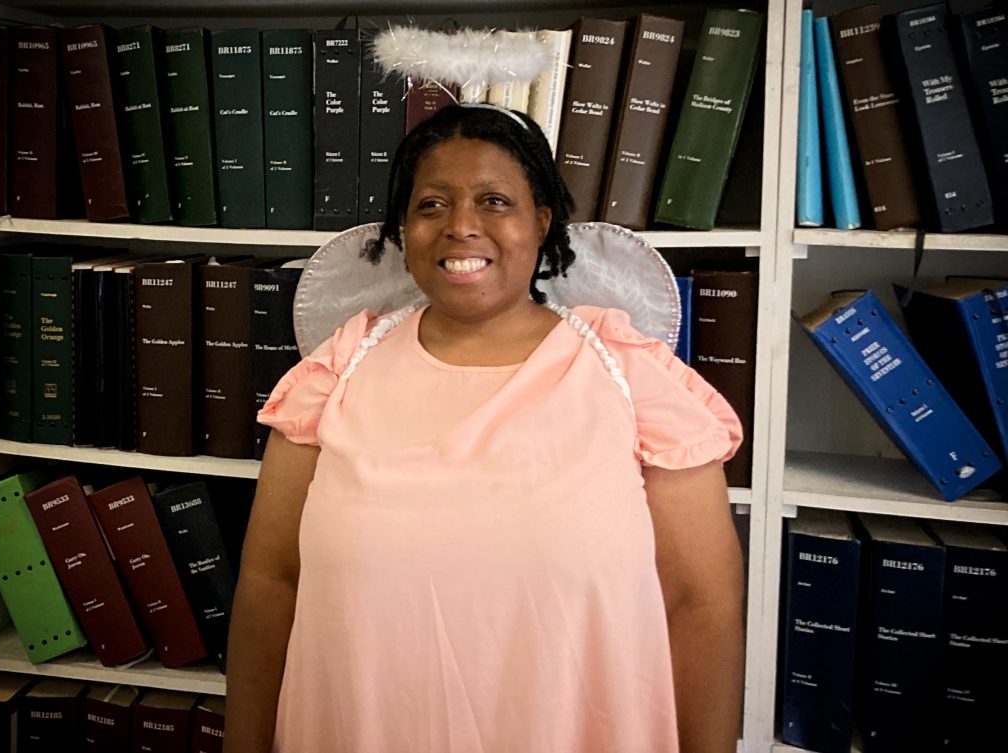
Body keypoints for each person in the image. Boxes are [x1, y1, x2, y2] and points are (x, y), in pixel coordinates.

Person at [224, 104, 746, 753]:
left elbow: (702, 606)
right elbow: (272, 583)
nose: (461, 226)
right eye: (431, 205)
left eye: (494, 200)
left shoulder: (633, 375)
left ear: (543, 222)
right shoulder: (336, 372)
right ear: (402, 229)